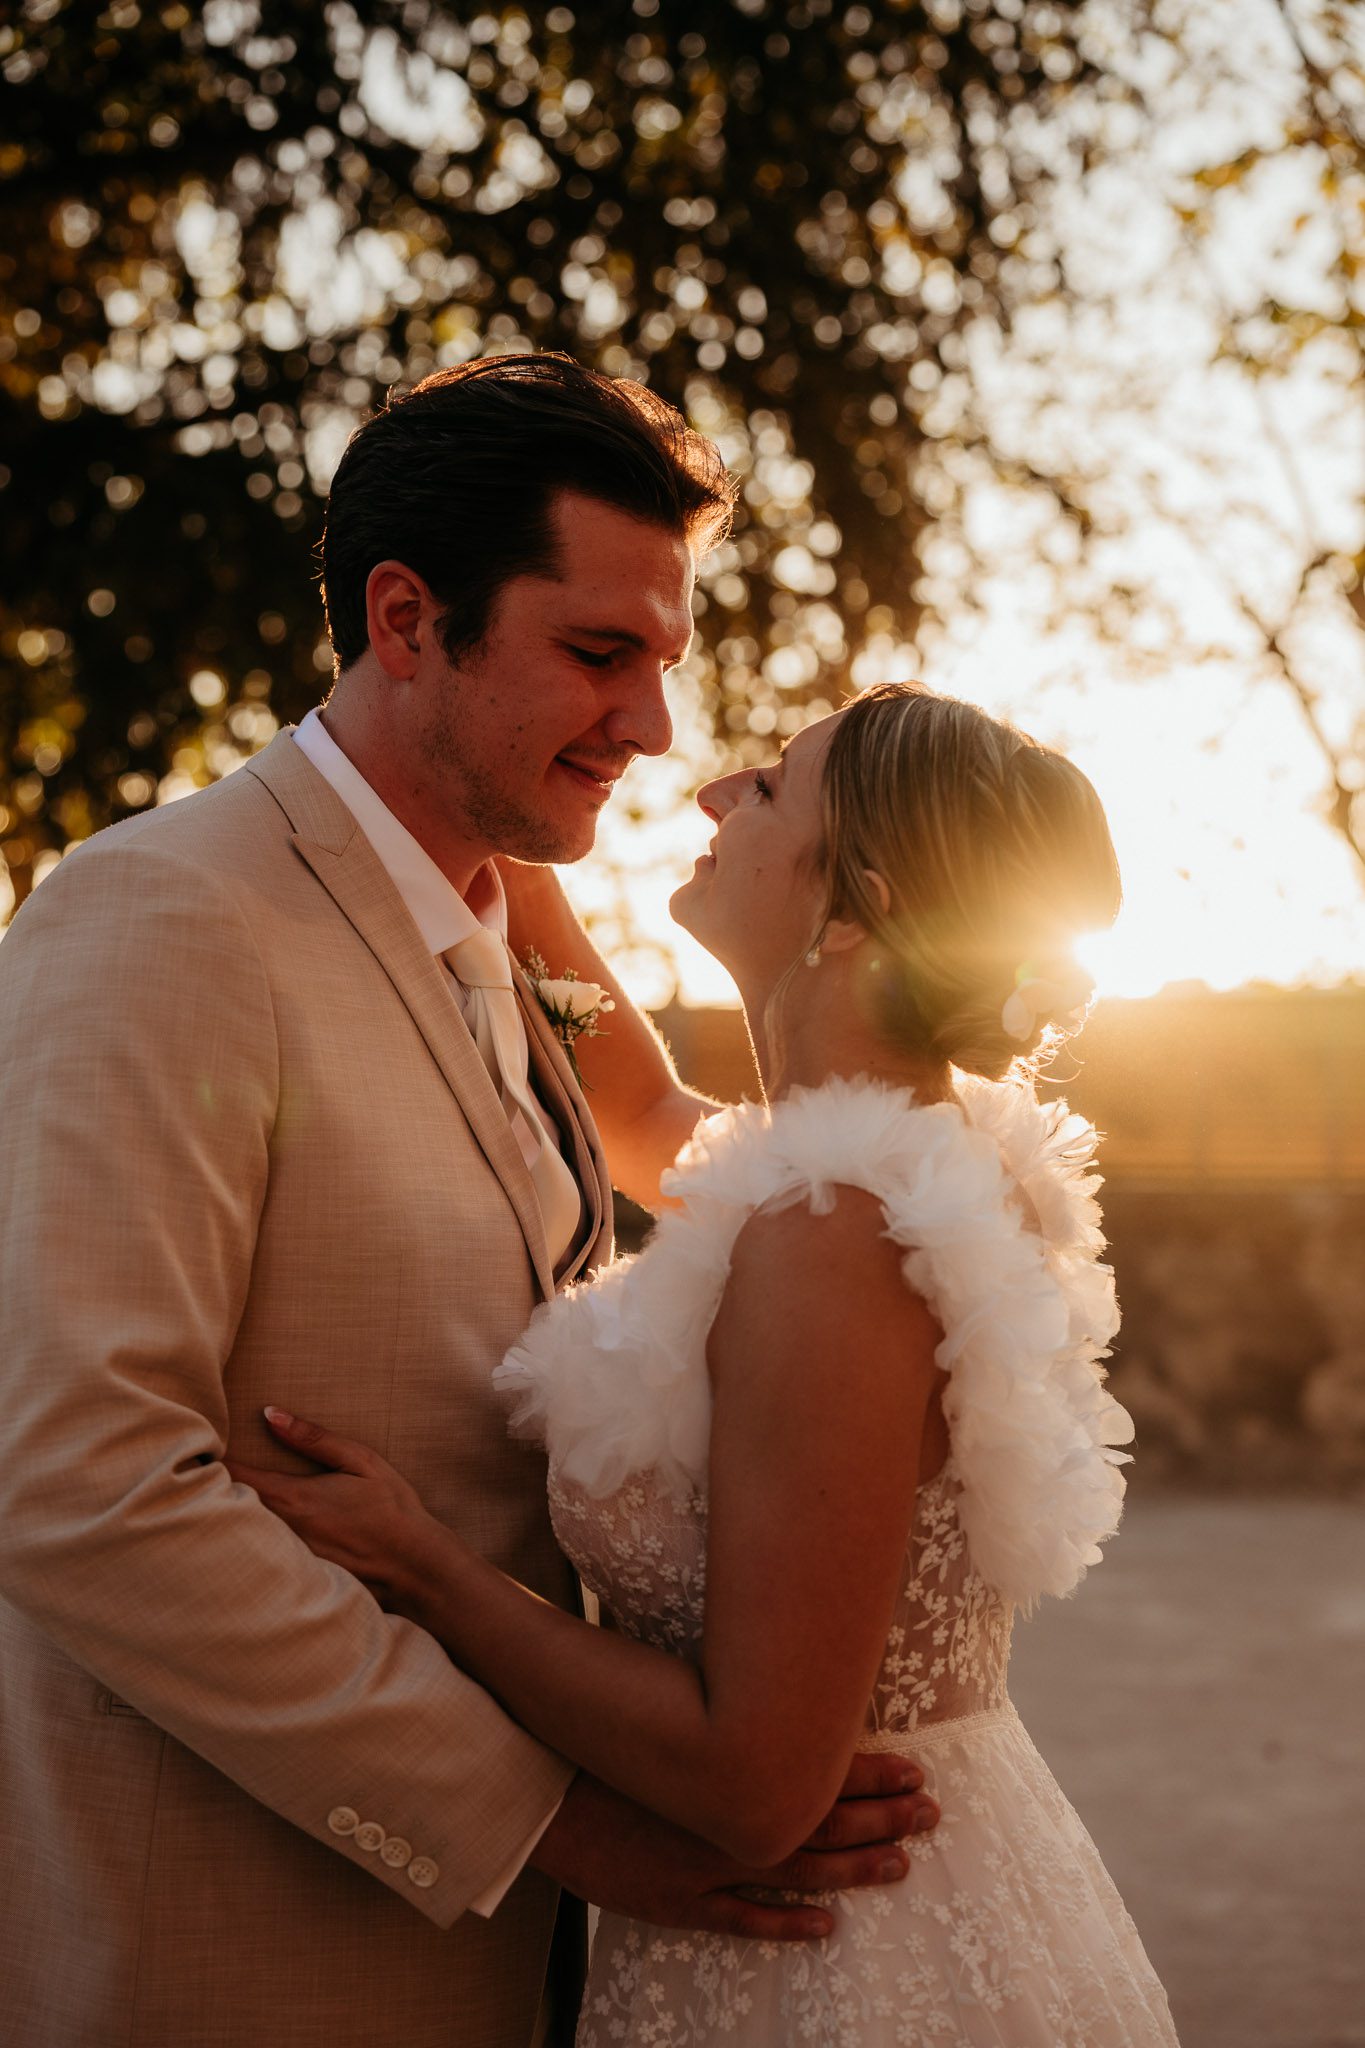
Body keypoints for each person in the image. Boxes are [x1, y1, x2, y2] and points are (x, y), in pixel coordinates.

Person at [0, 357, 937, 2048]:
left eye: (661, 662)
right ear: (407, 619)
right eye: (597, 654)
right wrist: (559, 1827)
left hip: (515, 1979)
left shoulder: (505, 916)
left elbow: (661, 1142)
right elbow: (78, 1482)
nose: (653, 728)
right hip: (242, 1951)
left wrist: (933, 1189)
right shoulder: (162, 916)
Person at [232, 682, 1183, 2045]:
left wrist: (425, 1569)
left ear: (854, 905)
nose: (714, 791)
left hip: (843, 1960)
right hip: (944, 1884)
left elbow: (755, 1786)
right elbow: (639, 1112)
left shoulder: (830, 1237)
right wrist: (495, 828)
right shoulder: (910, 1156)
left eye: (772, 787)